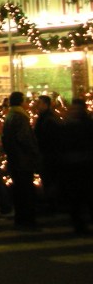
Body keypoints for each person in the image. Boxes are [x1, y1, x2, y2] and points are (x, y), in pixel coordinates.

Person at [1, 91, 41, 229]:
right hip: (23, 160)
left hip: (15, 160)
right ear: (21, 101)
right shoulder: (20, 117)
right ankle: (28, 221)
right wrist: (34, 152)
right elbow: (25, 139)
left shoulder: (10, 116)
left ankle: (20, 219)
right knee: (26, 192)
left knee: (19, 191)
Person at [59, 98, 93, 234]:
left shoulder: (84, 125)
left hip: (83, 164)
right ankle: (79, 224)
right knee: (77, 197)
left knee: (84, 196)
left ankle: (80, 223)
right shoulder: (68, 125)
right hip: (74, 165)